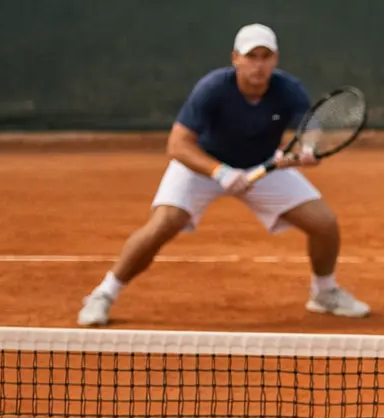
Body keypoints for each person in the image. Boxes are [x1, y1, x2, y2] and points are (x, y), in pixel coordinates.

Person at [77, 24, 369, 327]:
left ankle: (324, 292)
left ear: (275, 59)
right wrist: (220, 172)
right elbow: (177, 145)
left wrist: (307, 149)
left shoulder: (289, 89)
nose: (258, 64)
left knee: (324, 224)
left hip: (260, 166)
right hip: (202, 166)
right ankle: (104, 294)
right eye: (251, 56)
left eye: (265, 56)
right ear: (235, 58)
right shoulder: (213, 88)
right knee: (163, 223)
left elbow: (309, 129)